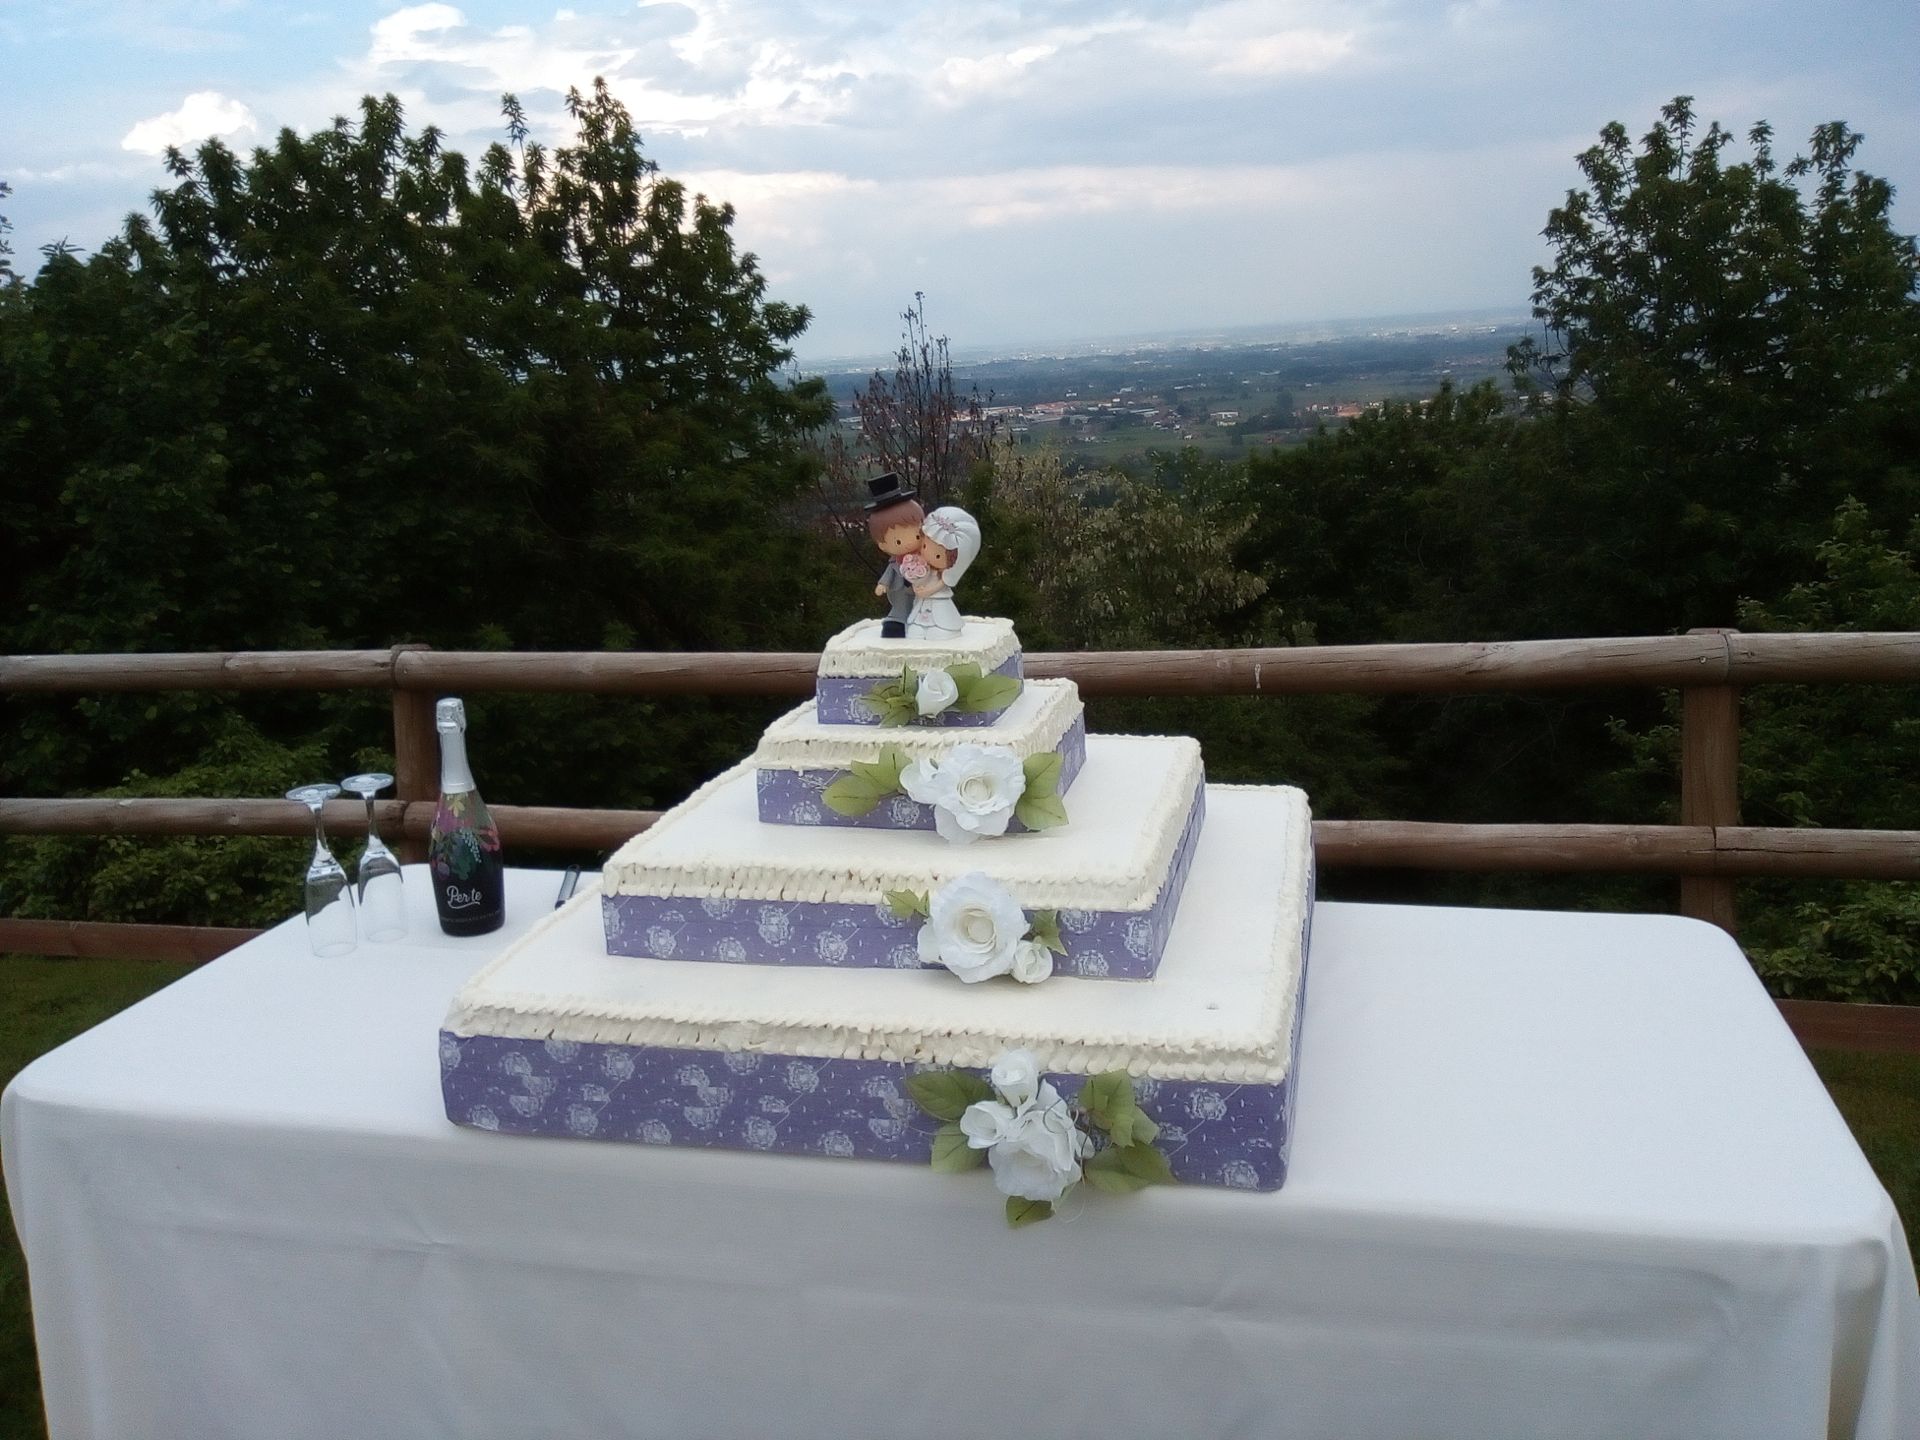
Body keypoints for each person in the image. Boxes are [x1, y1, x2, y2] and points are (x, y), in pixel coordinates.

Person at [905, 506, 980, 640]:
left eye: (938, 556)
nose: (927, 554)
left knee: (941, 622)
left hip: (937, 599)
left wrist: (927, 592)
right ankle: (919, 627)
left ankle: (943, 629)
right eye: (924, 546)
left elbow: (940, 585)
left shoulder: (942, 576)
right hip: (921, 600)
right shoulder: (921, 565)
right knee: (916, 626)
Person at [864, 473, 925, 639]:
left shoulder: (926, 557)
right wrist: (882, 585)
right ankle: (897, 623)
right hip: (899, 593)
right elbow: (889, 574)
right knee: (899, 609)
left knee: (923, 609)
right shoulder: (894, 564)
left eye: (917, 536)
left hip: (922, 596)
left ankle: (924, 623)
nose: (907, 544)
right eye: (898, 541)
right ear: (882, 544)